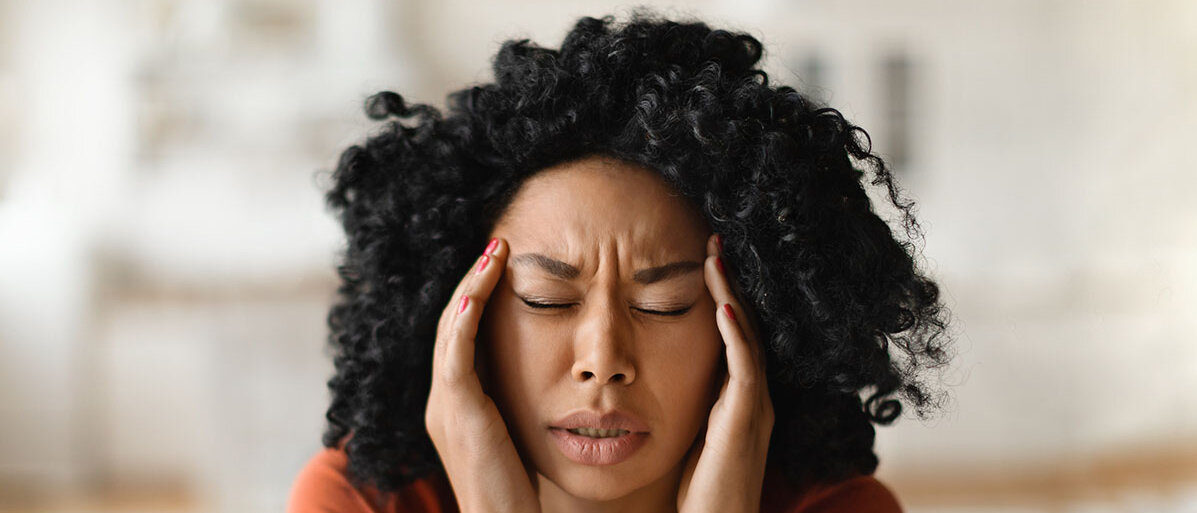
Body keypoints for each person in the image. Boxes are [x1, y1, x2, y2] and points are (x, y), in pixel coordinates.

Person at [287, 10, 951, 513]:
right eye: (546, 298)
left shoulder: (835, 507)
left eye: (663, 303)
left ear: (756, 322)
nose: (602, 358)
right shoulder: (363, 500)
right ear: (465, 315)